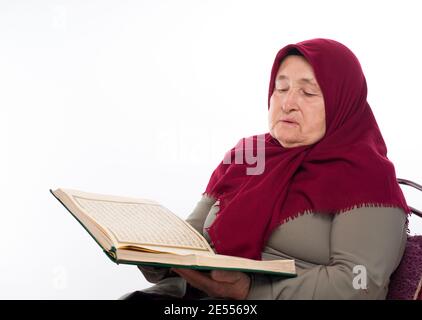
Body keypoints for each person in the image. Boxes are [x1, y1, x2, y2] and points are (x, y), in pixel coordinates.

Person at [120, 38, 411, 300]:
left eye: (308, 93)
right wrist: (155, 257)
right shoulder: (250, 154)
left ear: (342, 103)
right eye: (280, 88)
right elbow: (193, 237)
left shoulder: (368, 180)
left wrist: (250, 291)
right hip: (191, 295)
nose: (287, 103)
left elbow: (360, 284)